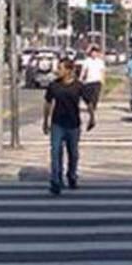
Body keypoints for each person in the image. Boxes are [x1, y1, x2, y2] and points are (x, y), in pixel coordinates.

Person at [43, 58, 96, 196]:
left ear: (68, 70)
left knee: (73, 153)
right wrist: (45, 121)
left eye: (60, 68)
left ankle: (72, 176)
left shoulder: (78, 86)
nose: (57, 71)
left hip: (73, 124)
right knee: (55, 152)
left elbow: (88, 102)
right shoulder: (54, 85)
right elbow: (48, 103)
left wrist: (92, 118)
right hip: (57, 124)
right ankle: (56, 180)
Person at [80, 45, 105, 110]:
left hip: (97, 81)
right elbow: (83, 71)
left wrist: (103, 80)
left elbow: (102, 71)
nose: (94, 54)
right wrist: (80, 79)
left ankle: (93, 106)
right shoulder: (87, 61)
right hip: (89, 81)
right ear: (90, 53)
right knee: (87, 96)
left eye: (95, 52)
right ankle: (89, 104)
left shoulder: (100, 62)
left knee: (95, 96)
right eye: (92, 52)